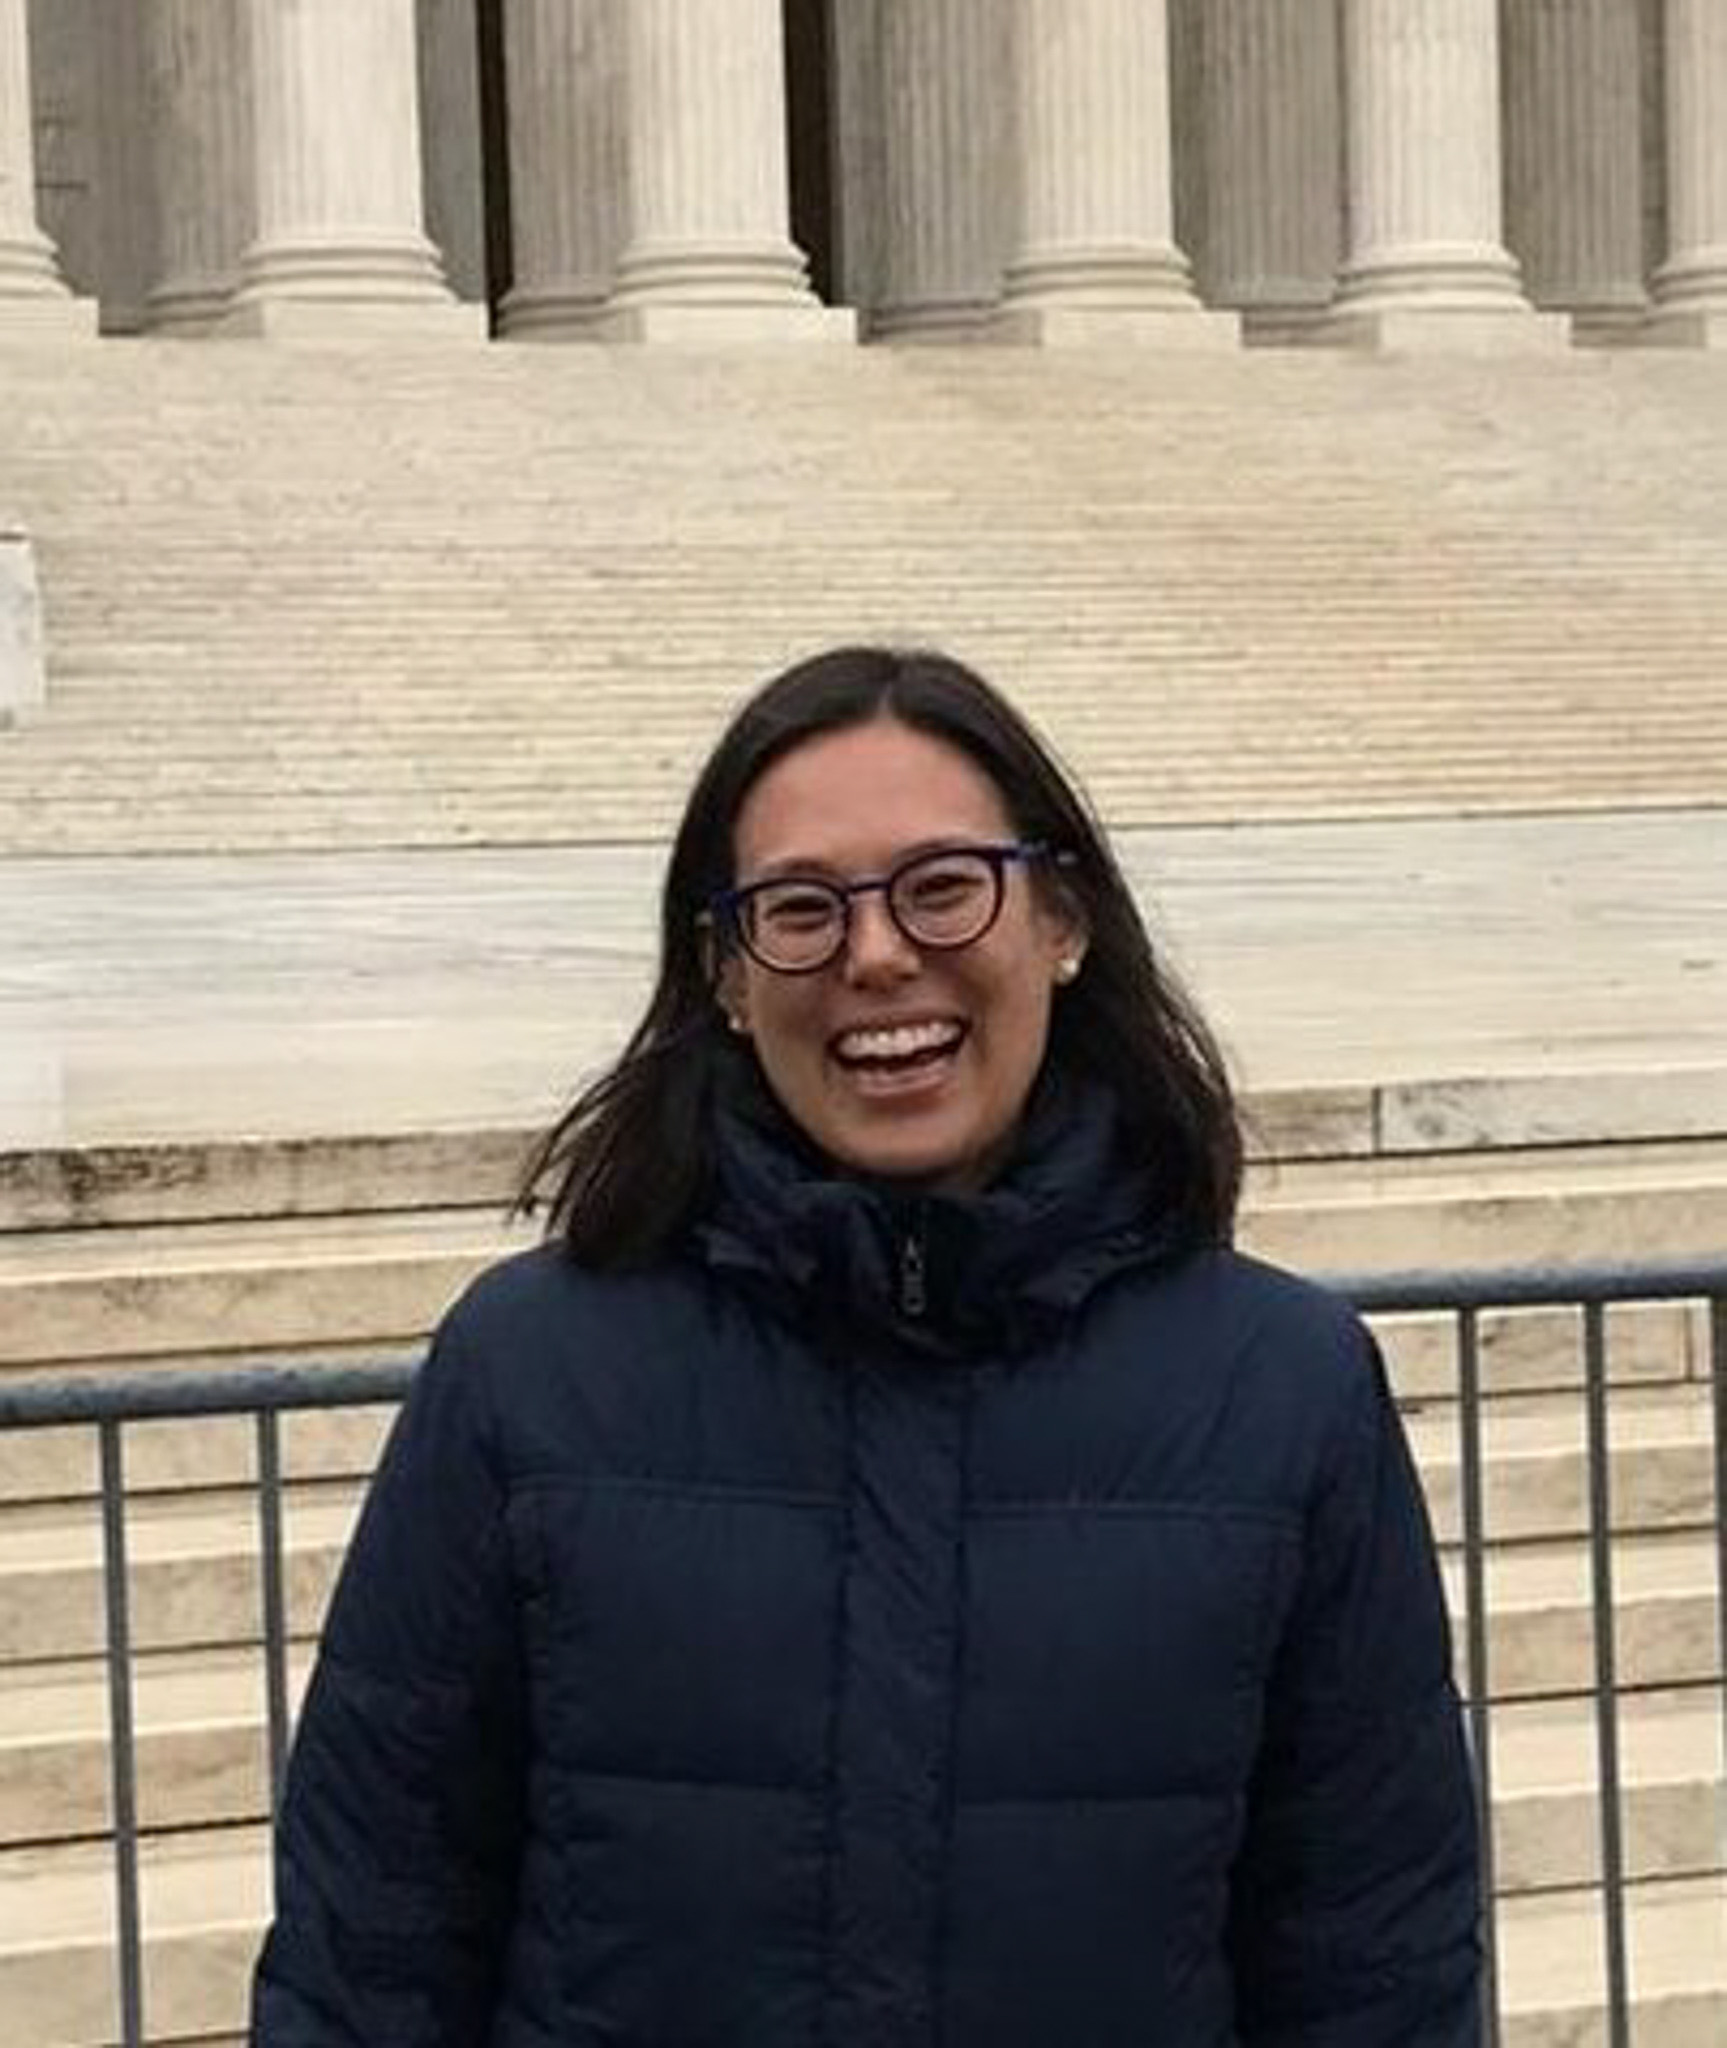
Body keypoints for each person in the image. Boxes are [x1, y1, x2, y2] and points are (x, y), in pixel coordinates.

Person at [251, 645, 1481, 2046]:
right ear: (723, 974)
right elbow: (369, 1945)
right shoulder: (528, 1373)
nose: (878, 954)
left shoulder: (1283, 1387)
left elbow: (1381, 1968)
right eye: (799, 909)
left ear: (1064, 919)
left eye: (944, 886)